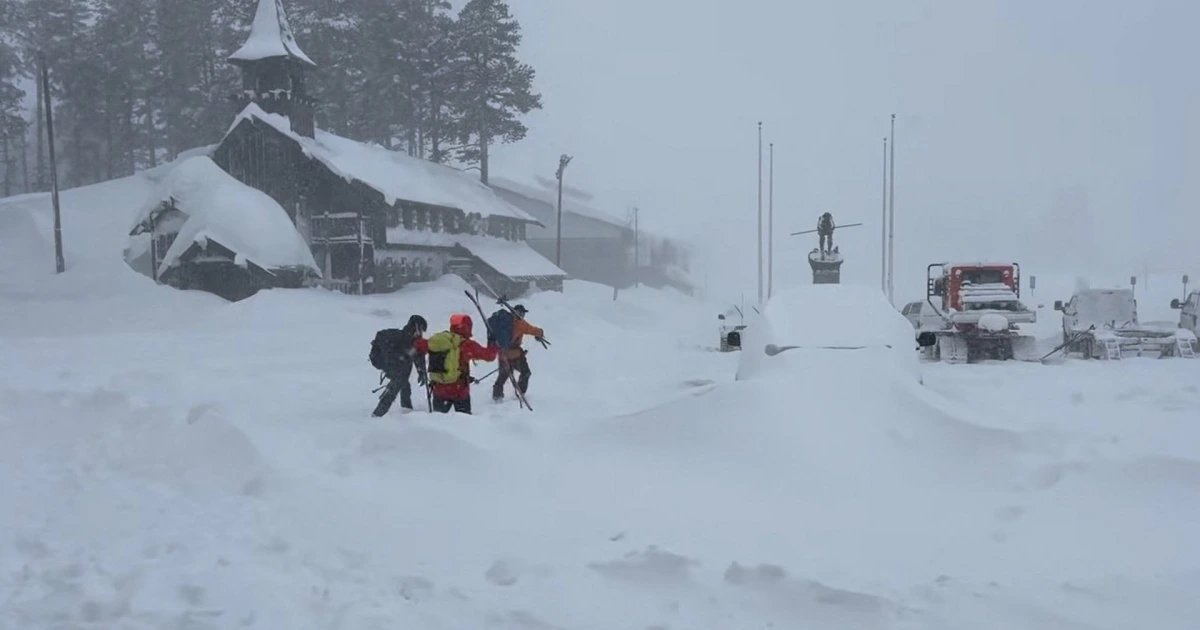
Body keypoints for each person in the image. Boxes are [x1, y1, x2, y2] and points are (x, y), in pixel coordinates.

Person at [414, 313, 498, 414]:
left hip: (439, 389)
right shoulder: (467, 345)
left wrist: (416, 336)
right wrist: (492, 342)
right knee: (464, 423)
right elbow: (490, 356)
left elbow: (418, 345)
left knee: (438, 422)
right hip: (460, 391)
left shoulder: (439, 342)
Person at [372, 315, 428, 417]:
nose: (421, 332)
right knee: (397, 385)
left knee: (404, 385)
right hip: (393, 365)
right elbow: (414, 355)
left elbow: (417, 356)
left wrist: (421, 371)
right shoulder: (403, 337)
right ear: (416, 326)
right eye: (421, 329)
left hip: (399, 366)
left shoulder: (411, 339)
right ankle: (378, 414)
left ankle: (405, 411)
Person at [492, 304, 545, 402]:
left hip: (503, 354)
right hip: (516, 355)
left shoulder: (503, 322)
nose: (523, 315)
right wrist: (540, 332)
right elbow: (533, 330)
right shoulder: (520, 323)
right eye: (523, 313)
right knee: (526, 373)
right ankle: (520, 392)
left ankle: (497, 396)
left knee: (502, 377)